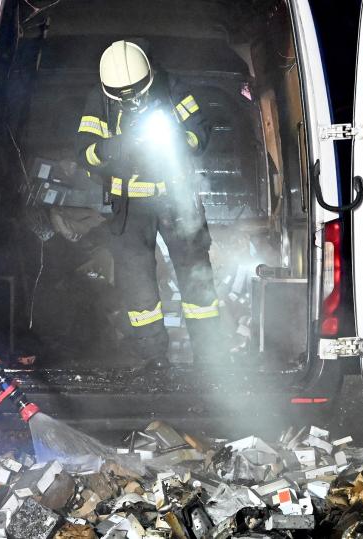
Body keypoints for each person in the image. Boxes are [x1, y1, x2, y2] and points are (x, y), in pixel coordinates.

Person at [75, 40, 225, 371]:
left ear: (149, 76)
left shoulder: (172, 88)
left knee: (195, 272)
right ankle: (152, 358)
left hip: (177, 200)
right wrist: (117, 148)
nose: (130, 98)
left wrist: (174, 137)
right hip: (130, 206)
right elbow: (84, 152)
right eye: (121, 93)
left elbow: (199, 135)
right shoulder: (98, 99)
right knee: (136, 280)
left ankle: (211, 355)